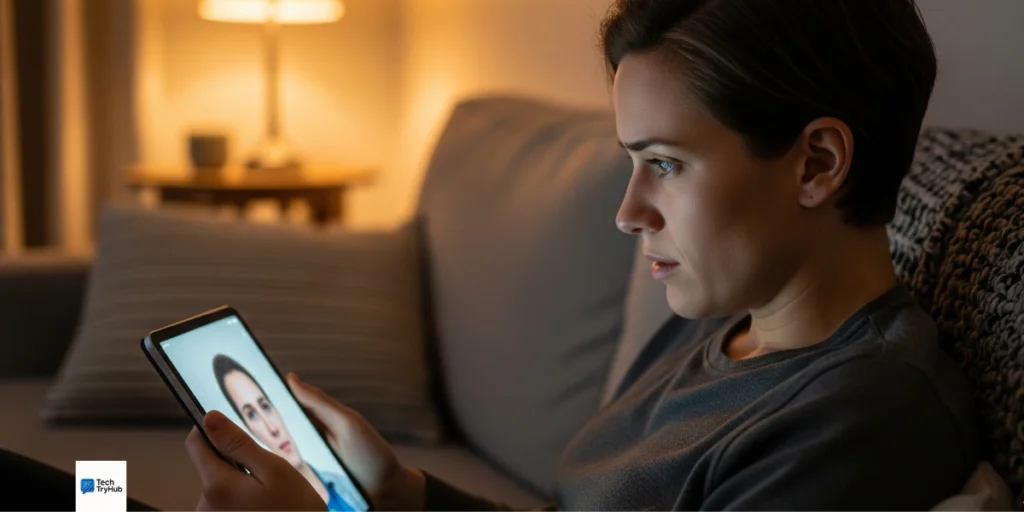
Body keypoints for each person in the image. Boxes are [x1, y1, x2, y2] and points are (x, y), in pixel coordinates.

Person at [0, 0, 981, 510]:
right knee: (76, 490)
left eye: (665, 164)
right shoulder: (724, 323)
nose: (628, 212)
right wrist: (408, 493)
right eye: (630, 163)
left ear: (816, 163)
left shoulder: (860, 421)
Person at [210, 354, 362, 512]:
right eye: (252, 415)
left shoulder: (346, 484)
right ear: (248, 429)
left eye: (265, 406)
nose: (273, 428)